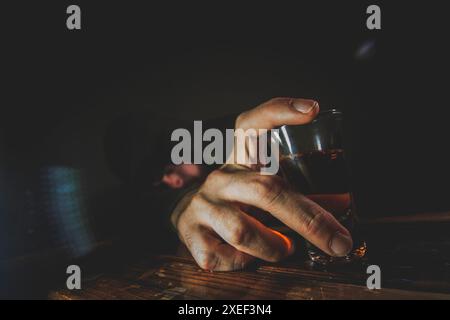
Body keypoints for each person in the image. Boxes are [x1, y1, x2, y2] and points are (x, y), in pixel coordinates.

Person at [105, 97, 353, 271]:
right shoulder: (142, 205)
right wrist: (180, 207)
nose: (175, 181)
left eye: (171, 165)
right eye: (159, 182)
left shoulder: (231, 137)